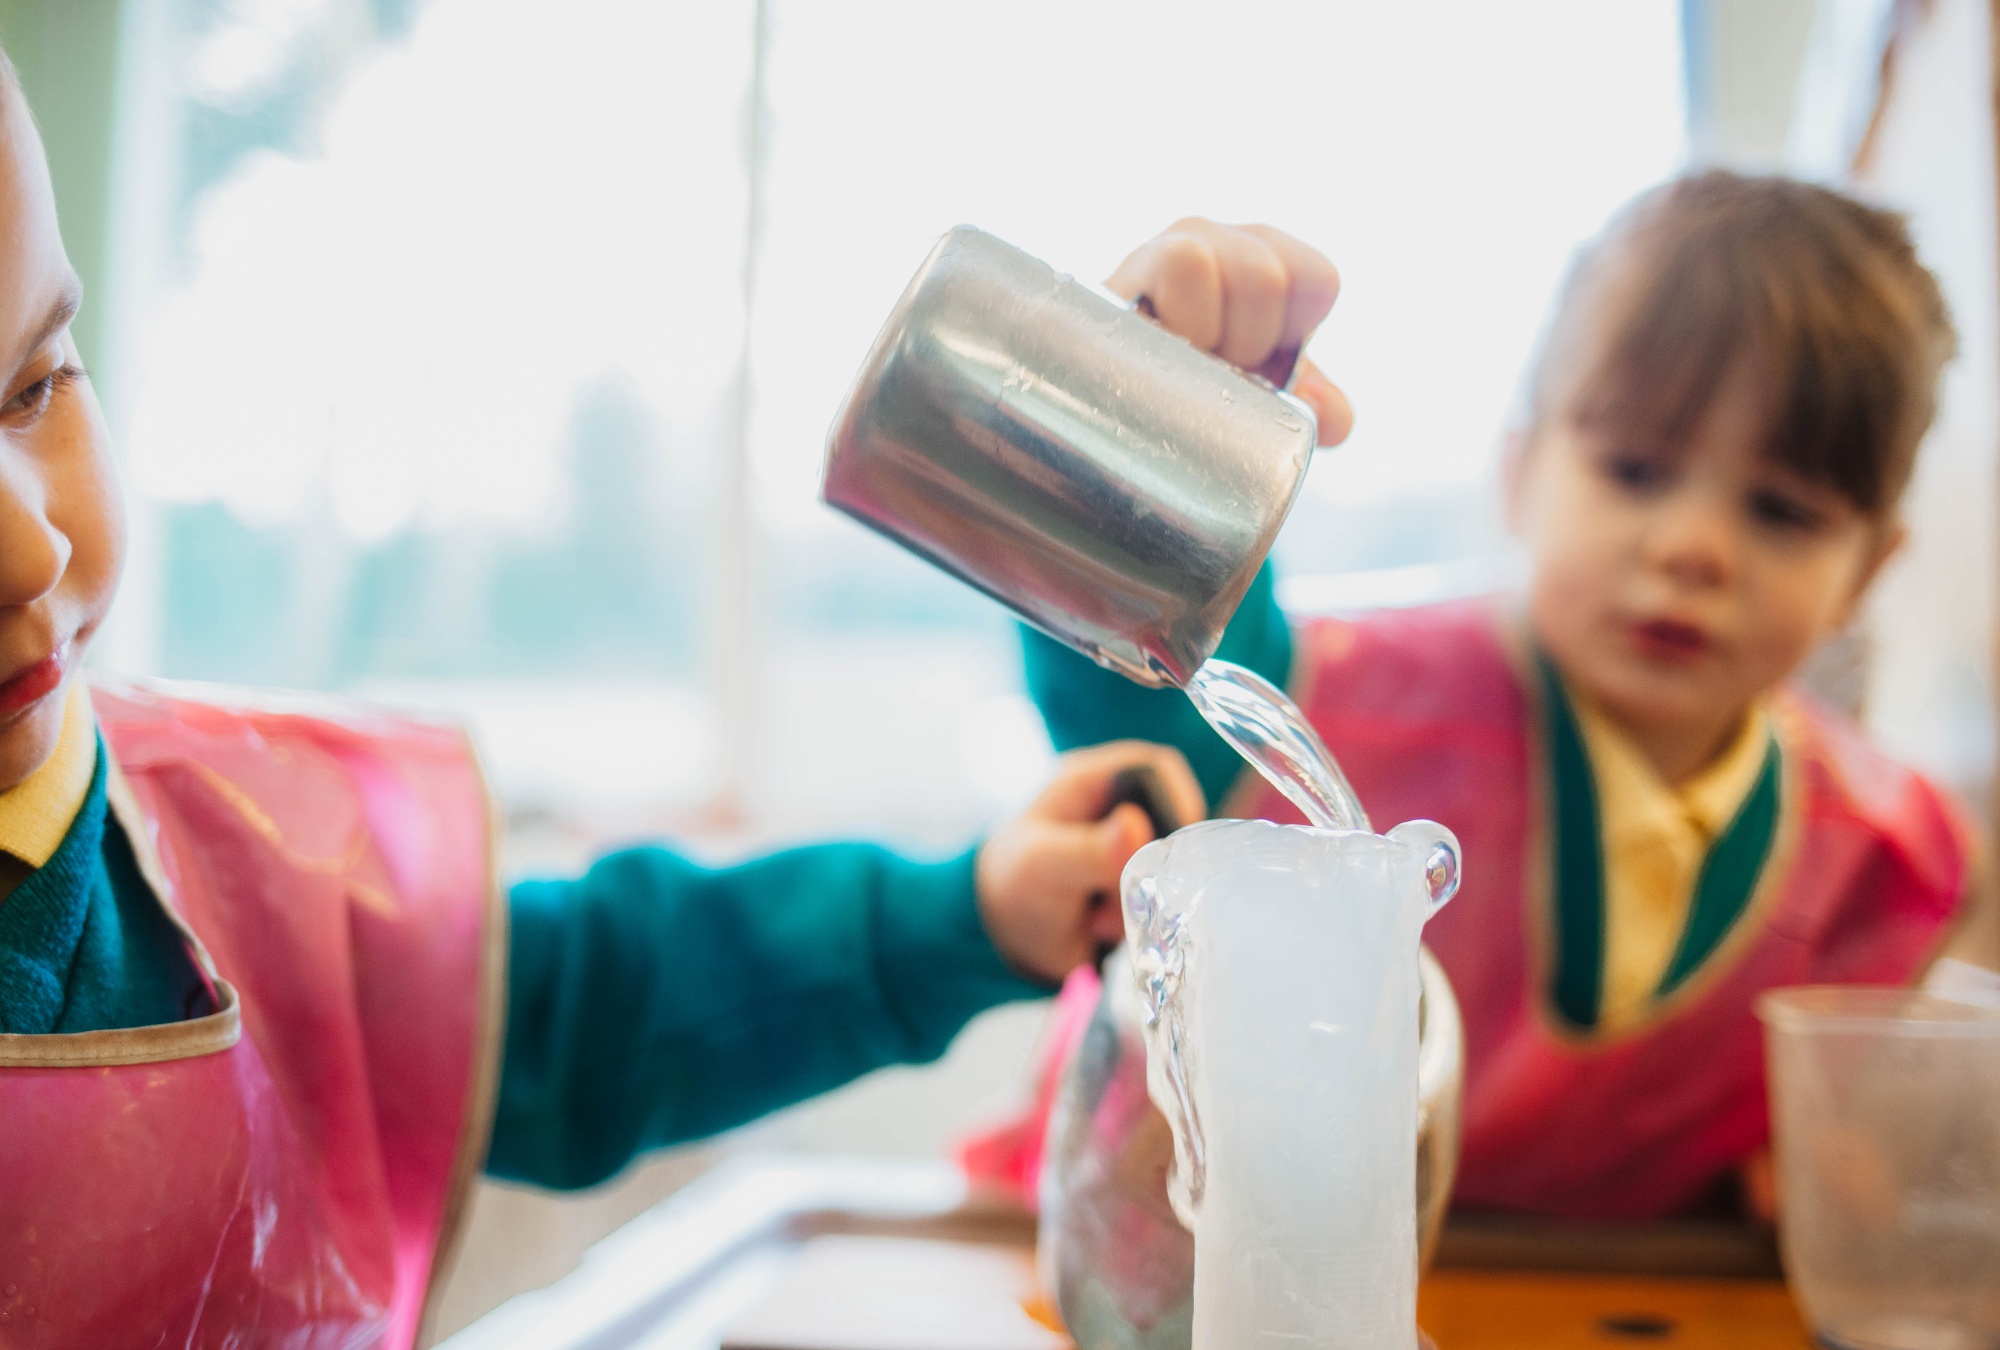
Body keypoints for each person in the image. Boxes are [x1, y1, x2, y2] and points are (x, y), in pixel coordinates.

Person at [0, 54, 1218, 1346]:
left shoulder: (235, 847)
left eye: (32, 385)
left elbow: (579, 1003)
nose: (32, 547)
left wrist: (967, 909)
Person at [1012, 182, 2000, 1222]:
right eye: (1635, 471)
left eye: (1781, 511)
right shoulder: (1335, 699)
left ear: (1867, 569)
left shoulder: (1883, 862)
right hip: (1134, 1251)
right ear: (1519, 473)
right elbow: (1141, 697)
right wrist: (1131, 430)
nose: (1694, 549)